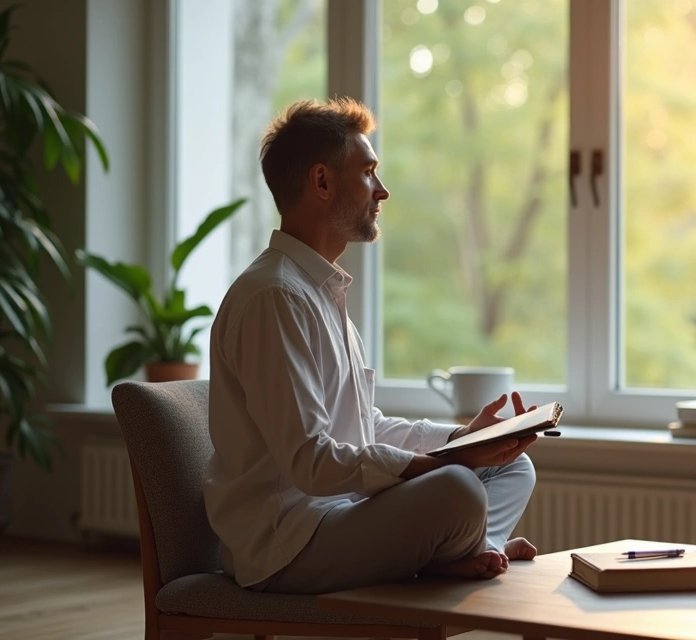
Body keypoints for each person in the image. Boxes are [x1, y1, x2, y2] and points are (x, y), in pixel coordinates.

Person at [203, 97, 540, 595]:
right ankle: (461, 549)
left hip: (346, 516)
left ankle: (470, 548)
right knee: (459, 487)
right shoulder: (274, 297)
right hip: (288, 544)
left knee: (513, 465)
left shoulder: (320, 292)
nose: (382, 191)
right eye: (368, 173)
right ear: (322, 182)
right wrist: (448, 465)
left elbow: (364, 428)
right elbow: (311, 461)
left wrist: (463, 440)